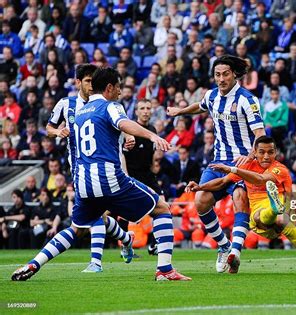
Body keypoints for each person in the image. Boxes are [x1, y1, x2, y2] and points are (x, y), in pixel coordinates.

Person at [12, 67, 190, 281]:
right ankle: (165, 270)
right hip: (108, 178)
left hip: (83, 182)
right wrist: (152, 136)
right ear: (109, 87)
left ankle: (34, 263)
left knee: (77, 228)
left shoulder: (78, 115)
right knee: (162, 209)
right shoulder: (111, 106)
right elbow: (123, 123)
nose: (120, 91)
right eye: (119, 87)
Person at [167, 55, 266, 273]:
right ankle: (224, 245)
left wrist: (249, 157)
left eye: (225, 74)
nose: (221, 79)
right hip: (218, 160)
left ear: (235, 75)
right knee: (201, 201)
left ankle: (235, 253)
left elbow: (260, 134)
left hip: (243, 163)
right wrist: (179, 111)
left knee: (240, 199)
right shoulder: (212, 96)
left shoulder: (247, 100)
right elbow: (199, 106)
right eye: (217, 75)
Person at [186, 136, 296, 273]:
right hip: (260, 214)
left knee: (282, 219)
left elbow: (261, 180)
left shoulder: (279, 169)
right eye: (261, 152)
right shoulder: (248, 165)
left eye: (270, 152)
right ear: (254, 152)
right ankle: (274, 211)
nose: (266, 156)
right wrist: (200, 187)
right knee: (261, 216)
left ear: (276, 153)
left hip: (283, 212)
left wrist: (234, 169)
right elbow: (222, 182)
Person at [45, 64, 133, 273]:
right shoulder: (66, 104)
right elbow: (48, 128)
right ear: (78, 82)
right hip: (78, 170)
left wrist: (129, 137)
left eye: (94, 80)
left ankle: (96, 262)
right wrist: (58, 132)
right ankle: (125, 238)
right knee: (98, 216)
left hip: (103, 167)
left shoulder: (106, 104)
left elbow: (122, 125)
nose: (92, 84)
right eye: (87, 81)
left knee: (96, 215)